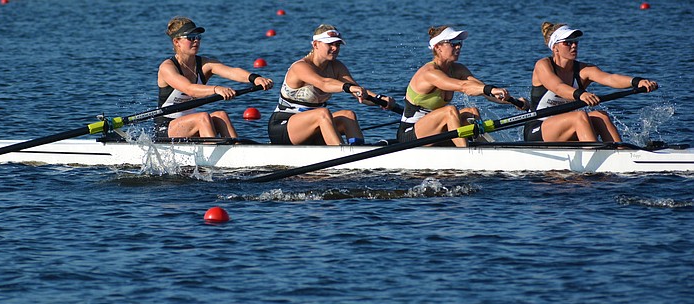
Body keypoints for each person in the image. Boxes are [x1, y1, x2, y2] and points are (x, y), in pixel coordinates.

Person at [524, 22, 658, 142]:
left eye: (575, 41)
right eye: (568, 42)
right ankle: (595, 157)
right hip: (538, 127)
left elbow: (610, 78)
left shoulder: (584, 70)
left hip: (566, 126)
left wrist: (637, 81)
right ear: (555, 48)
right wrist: (580, 94)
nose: (574, 45)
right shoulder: (543, 65)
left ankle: (621, 152)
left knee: (601, 116)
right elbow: (558, 87)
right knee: (579, 116)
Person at [398, 26, 527, 147]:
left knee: (471, 112)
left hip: (434, 129)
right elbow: (464, 87)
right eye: (453, 43)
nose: (458, 46)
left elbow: (483, 90)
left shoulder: (458, 69)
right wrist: (490, 89)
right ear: (438, 47)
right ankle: (465, 153)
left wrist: (512, 101)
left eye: (459, 43)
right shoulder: (430, 73)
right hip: (410, 134)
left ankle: (485, 147)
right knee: (450, 111)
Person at [268, 24, 394, 146]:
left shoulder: (337, 66)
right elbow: (324, 83)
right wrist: (348, 87)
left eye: (337, 44)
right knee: (322, 113)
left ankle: (358, 150)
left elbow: (359, 92)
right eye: (330, 44)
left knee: (348, 115)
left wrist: (380, 99)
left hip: (314, 125)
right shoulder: (300, 67)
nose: (335, 48)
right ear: (315, 44)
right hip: (283, 126)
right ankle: (342, 156)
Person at [157, 16, 273, 139]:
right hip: (166, 126)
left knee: (221, 116)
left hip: (190, 124)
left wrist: (254, 78)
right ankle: (213, 153)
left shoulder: (205, 64)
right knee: (202, 117)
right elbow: (189, 89)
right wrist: (216, 89)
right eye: (190, 38)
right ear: (176, 42)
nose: (196, 41)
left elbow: (231, 71)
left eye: (198, 37)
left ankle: (237, 150)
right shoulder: (167, 68)